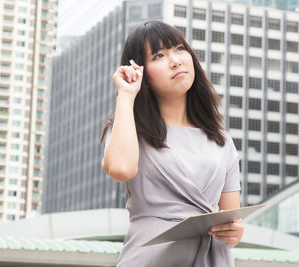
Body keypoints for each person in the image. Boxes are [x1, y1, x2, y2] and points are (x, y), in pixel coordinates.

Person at [100, 21, 243, 267]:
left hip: (212, 259)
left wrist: (235, 232)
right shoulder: (131, 127)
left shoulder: (222, 140)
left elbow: (231, 219)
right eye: (159, 55)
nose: (175, 60)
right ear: (140, 72)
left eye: (179, 48)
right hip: (150, 259)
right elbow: (120, 169)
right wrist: (126, 95)